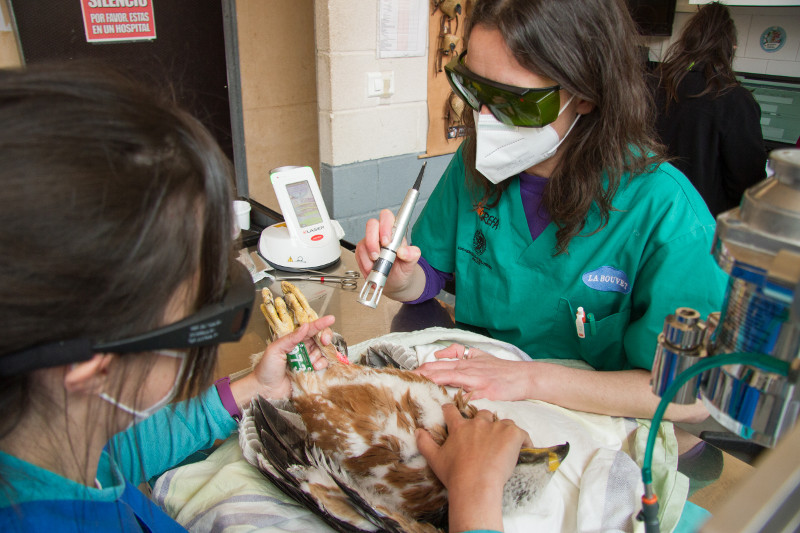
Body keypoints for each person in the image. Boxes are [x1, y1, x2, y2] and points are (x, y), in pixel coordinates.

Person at [0, 63, 527, 533]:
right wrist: (475, 496)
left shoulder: (50, 452)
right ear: (92, 368)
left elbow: (118, 454)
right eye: (199, 319)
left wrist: (252, 387)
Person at [356, 0, 728, 423]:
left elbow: (692, 395)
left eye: (512, 101)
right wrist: (402, 279)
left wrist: (529, 379)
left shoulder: (668, 215)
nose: (484, 117)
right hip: (473, 407)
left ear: (586, 95)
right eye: (473, 89)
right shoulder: (474, 164)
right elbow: (432, 272)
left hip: (588, 426)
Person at [652, 1, 767, 217]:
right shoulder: (734, 99)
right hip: (701, 223)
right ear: (730, 48)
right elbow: (749, 186)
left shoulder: (651, 84)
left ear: (686, 41)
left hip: (650, 214)